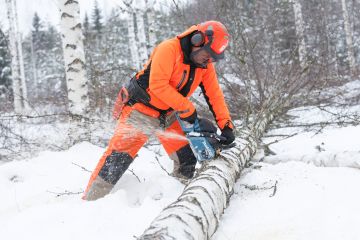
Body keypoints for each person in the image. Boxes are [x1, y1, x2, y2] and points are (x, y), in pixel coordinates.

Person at [83, 20, 235, 201]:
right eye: (207, 55)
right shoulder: (169, 49)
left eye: (212, 58)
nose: (208, 61)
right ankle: (90, 201)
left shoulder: (204, 66)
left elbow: (214, 95)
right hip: (141, 110)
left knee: (186, 156)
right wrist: (187, 107)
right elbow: (157, 85)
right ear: (197, 40)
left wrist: (226, 125)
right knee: (116, 160)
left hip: (169, 113)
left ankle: (182, 202)